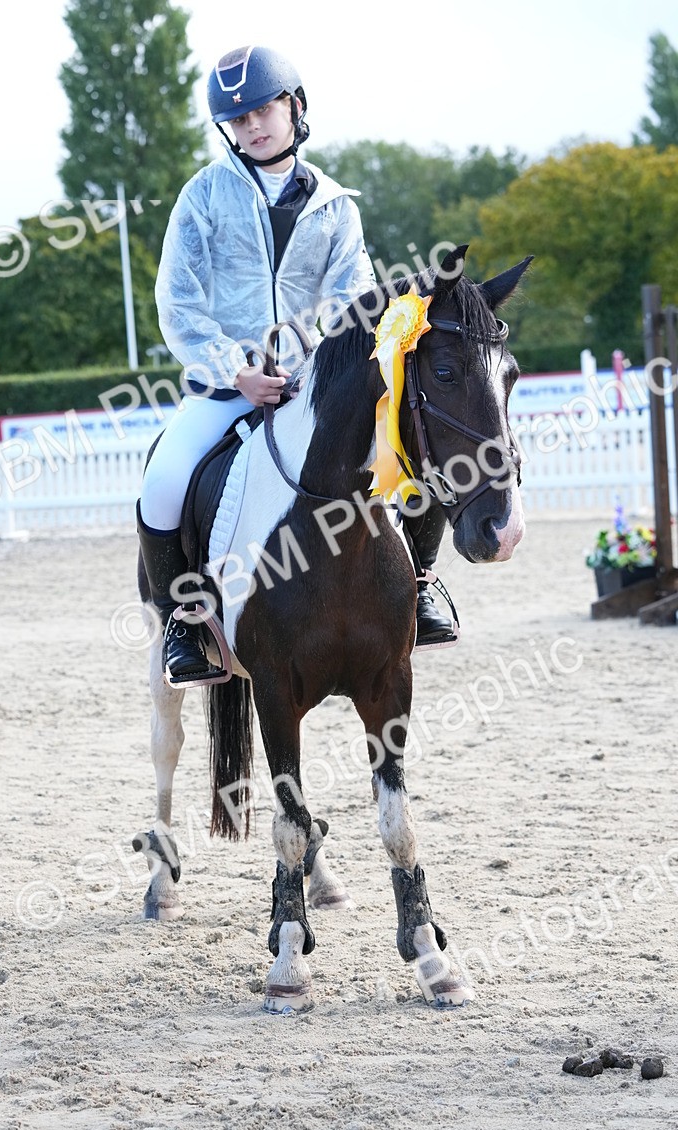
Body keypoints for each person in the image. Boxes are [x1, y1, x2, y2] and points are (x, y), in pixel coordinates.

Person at [138, 44, 452, 681]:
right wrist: (236, 371)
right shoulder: (200, 198)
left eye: (263, 110)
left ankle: (417, 584)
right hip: (228, 386)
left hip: (313, 385)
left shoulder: (337, 204)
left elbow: (351, 297)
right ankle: (183, 623)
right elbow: (178, 304)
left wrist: (330, 367)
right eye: (238, 119)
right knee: (163, 480)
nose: (252, 126)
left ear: (294, 107)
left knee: (413, 449)